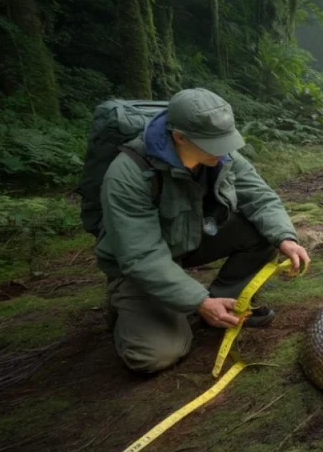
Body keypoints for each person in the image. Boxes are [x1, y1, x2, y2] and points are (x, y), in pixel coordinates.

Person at [95, 88, 311, 373]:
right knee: (154, 356)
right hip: (142, 263)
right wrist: (198, 301)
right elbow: (141, 255)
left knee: (264, 231)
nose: (222, 150)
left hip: (189, 240)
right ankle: (127, 304)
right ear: (179, 136)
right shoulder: (129, 173)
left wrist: (286, 238)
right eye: (212, 143)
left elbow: (260, 197)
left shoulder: (222, 156)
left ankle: (226, 302)